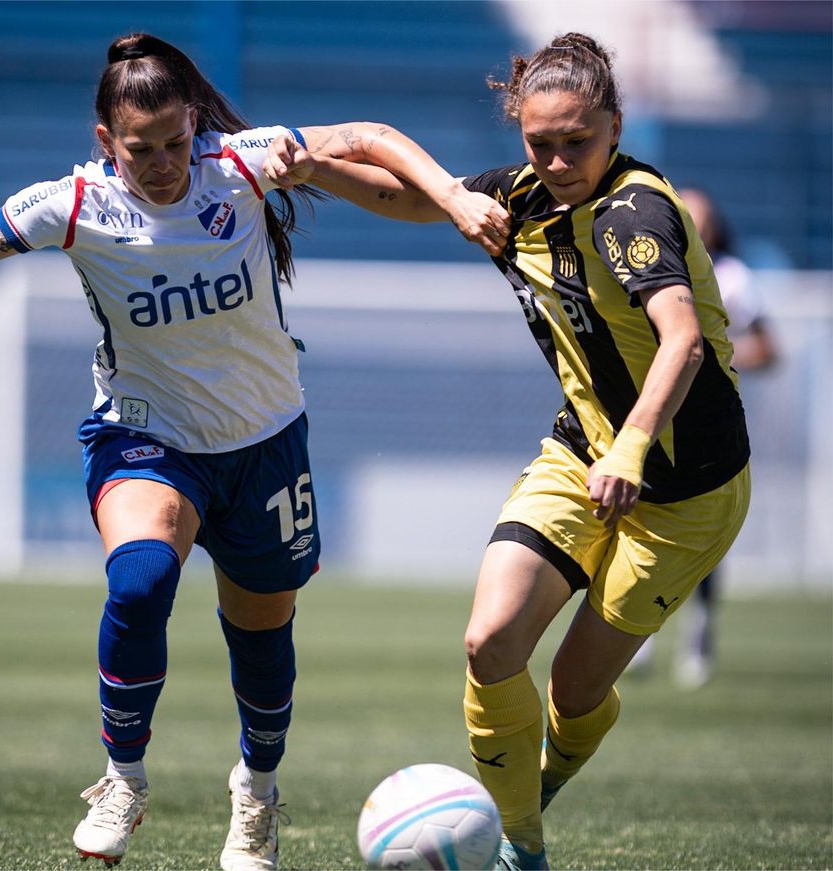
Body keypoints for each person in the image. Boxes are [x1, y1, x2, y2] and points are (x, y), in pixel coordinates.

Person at [0, 33, 506, 871]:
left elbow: (368, 135)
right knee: (141, 578)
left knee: (260, 640)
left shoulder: (245, 161)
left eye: (175, 143)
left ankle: (255, 795)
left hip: (264, 442)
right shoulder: (73, 204)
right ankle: (124, 779)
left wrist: (453, 196)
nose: (160, 164)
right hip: (145, 436)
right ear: (105, 140)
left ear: (195, 122)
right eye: (139, 149)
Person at [263, 32, 751, 870]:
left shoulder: (635, 213)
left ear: (615, 126)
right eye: (540, 142)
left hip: (687, 489)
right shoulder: (520, 197)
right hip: (582, 450)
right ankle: (522, 845)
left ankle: (539, 786)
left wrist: (633, 450)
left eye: (579, 141)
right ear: (521, 132)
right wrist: (314, 170)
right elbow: (403, 192)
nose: (559, 160)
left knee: (572, 690)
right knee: (489, 641)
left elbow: (683, 341)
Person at [629, 186, 777, 689]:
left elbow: (768, 349)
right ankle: (637, 638)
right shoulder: (636, 258)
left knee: (702, 538)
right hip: (646, 417)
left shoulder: (731, 278)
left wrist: (709, 355)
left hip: (709, 426)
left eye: (701, 215)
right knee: (636, 523)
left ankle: (699, 632)